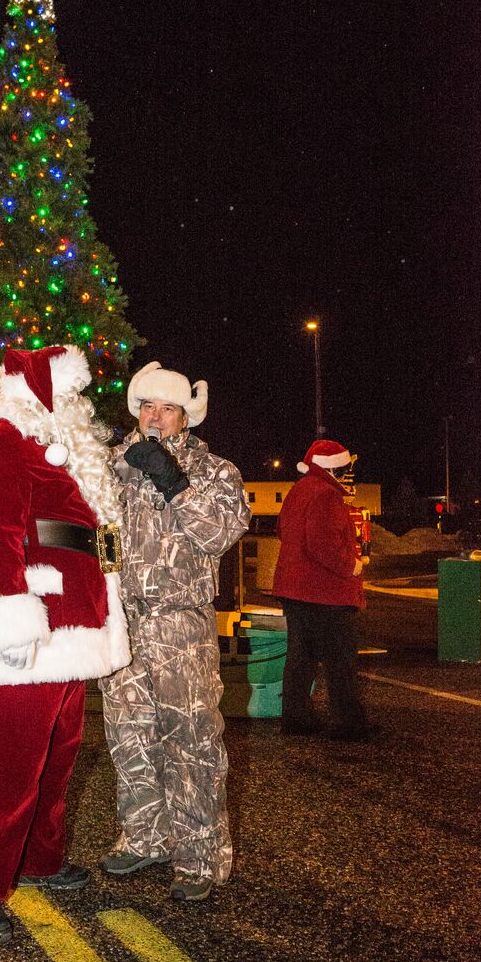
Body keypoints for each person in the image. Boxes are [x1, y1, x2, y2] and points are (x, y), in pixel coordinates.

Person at [0, 345, 130, 948]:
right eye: (69, 393)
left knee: (59, 751)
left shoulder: (56, 449)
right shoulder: (0, 444)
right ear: (39, 392)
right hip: (33, 627)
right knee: (8, 764)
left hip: (72, 626)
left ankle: (40, 860)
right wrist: (9, 623)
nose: (78, 404)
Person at [99, 361, 250, 903]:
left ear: (186, 416)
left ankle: (200, 856)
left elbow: (221, 534)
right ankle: (145, 837)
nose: (155, 417)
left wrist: (173, 481)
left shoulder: (215, 471)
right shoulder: (114, 466)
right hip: (123, 622)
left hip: (179, 623)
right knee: (128, 733)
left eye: (166, 408)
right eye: (147, 407)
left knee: (190, 740)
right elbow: (96, 533)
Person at [272, 438, 372, 741]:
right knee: (340, 659)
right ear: (336, 469)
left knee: (301, 658)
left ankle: (296, 718)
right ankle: (348, 724)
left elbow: (282, 531)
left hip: (296, 590)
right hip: (325, 592)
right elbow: (324, 545)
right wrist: (352, 564)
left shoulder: (299, 490)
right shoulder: (327, 496)